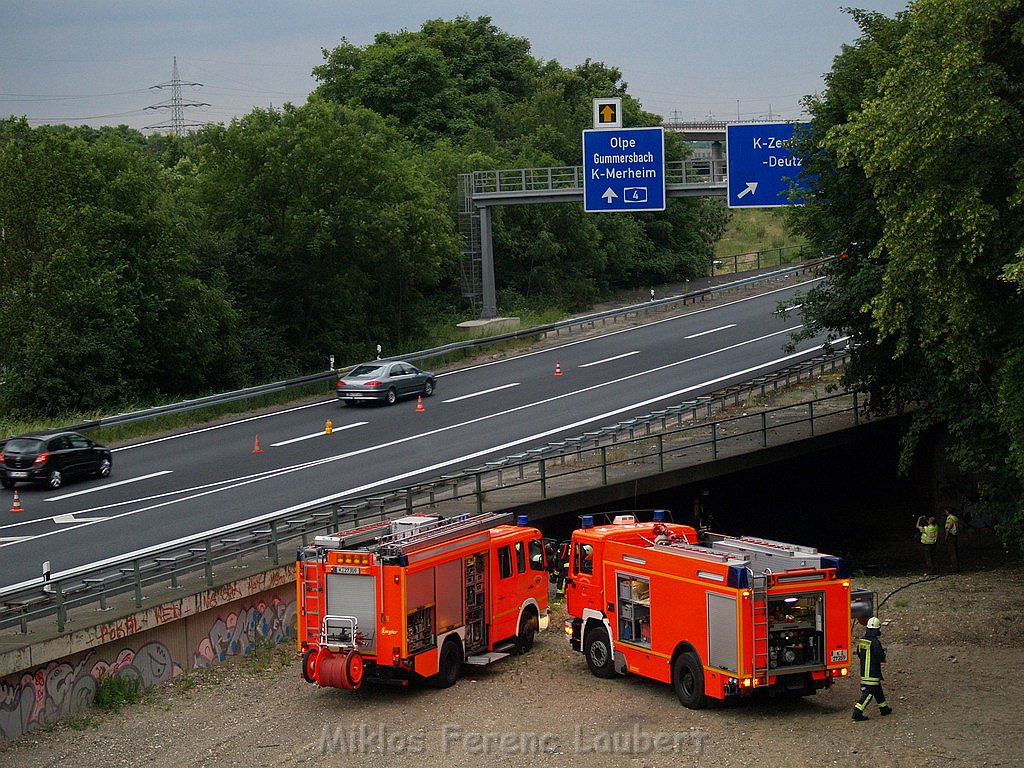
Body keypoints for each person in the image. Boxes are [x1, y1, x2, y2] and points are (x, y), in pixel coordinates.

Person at [852, 616, 892, 721]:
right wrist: (883, 653)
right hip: (872, 672)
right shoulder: (875, 642)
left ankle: (884, 708)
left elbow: (860, 655)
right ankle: (857, 711)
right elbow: (880, 657)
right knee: (869, 693)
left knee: (877, 690)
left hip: (864, 672)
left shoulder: (862, 641)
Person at [944, 508, 961, 573]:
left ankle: (955, 568)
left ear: (947, 511)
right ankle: (957, 566)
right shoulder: (955, 517)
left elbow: (948, 528)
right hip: (955, 535)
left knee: (952, 552)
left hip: (951, 535)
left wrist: (946, 536)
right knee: (955, 551)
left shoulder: (950, 518)